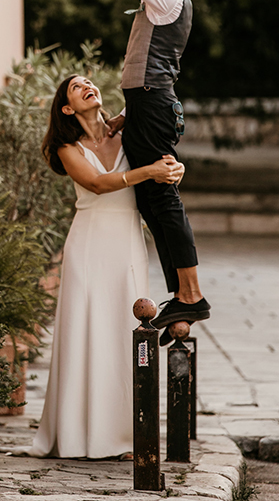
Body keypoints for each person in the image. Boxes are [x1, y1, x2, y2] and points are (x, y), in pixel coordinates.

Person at [34, 0, 210, 339]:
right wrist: (124, 118)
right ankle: (182, 296)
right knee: (153, 201)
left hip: (152, 105)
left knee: (163, 199)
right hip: (146, 107)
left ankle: (192, 295)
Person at [27, 74, 184, 459]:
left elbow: (157, 107)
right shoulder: (67, 146)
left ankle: (122, 436)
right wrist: (149, 172)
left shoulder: (127, 130)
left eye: (89, 81)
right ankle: (79, 434)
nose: (87, 86)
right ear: (67, 108)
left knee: (124, 331)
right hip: (89, 242)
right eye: (76, 87)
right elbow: (97, 183)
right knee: (87, 332)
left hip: (128, 241)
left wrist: (172, 170)